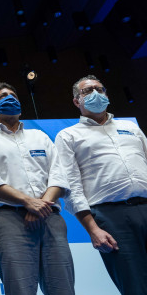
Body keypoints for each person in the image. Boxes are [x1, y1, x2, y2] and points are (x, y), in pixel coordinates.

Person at [0, 82, 74, 295]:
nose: (10, 98)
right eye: (2, 96)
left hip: (50, 218)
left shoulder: (40, 136)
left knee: (62, 288)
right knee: (19, 289)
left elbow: (58, 176)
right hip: (9, 220)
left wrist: (40, 206)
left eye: (13, 95)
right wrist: (28, 202)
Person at [55, 75, 147, 295]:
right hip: (111, 216)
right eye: (88, 91)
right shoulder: (68, 136)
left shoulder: (130, 127)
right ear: (77, 101)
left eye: (100, 89)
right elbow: (71, 188)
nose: (96, 93)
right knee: (134, 284)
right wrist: (93, 229)